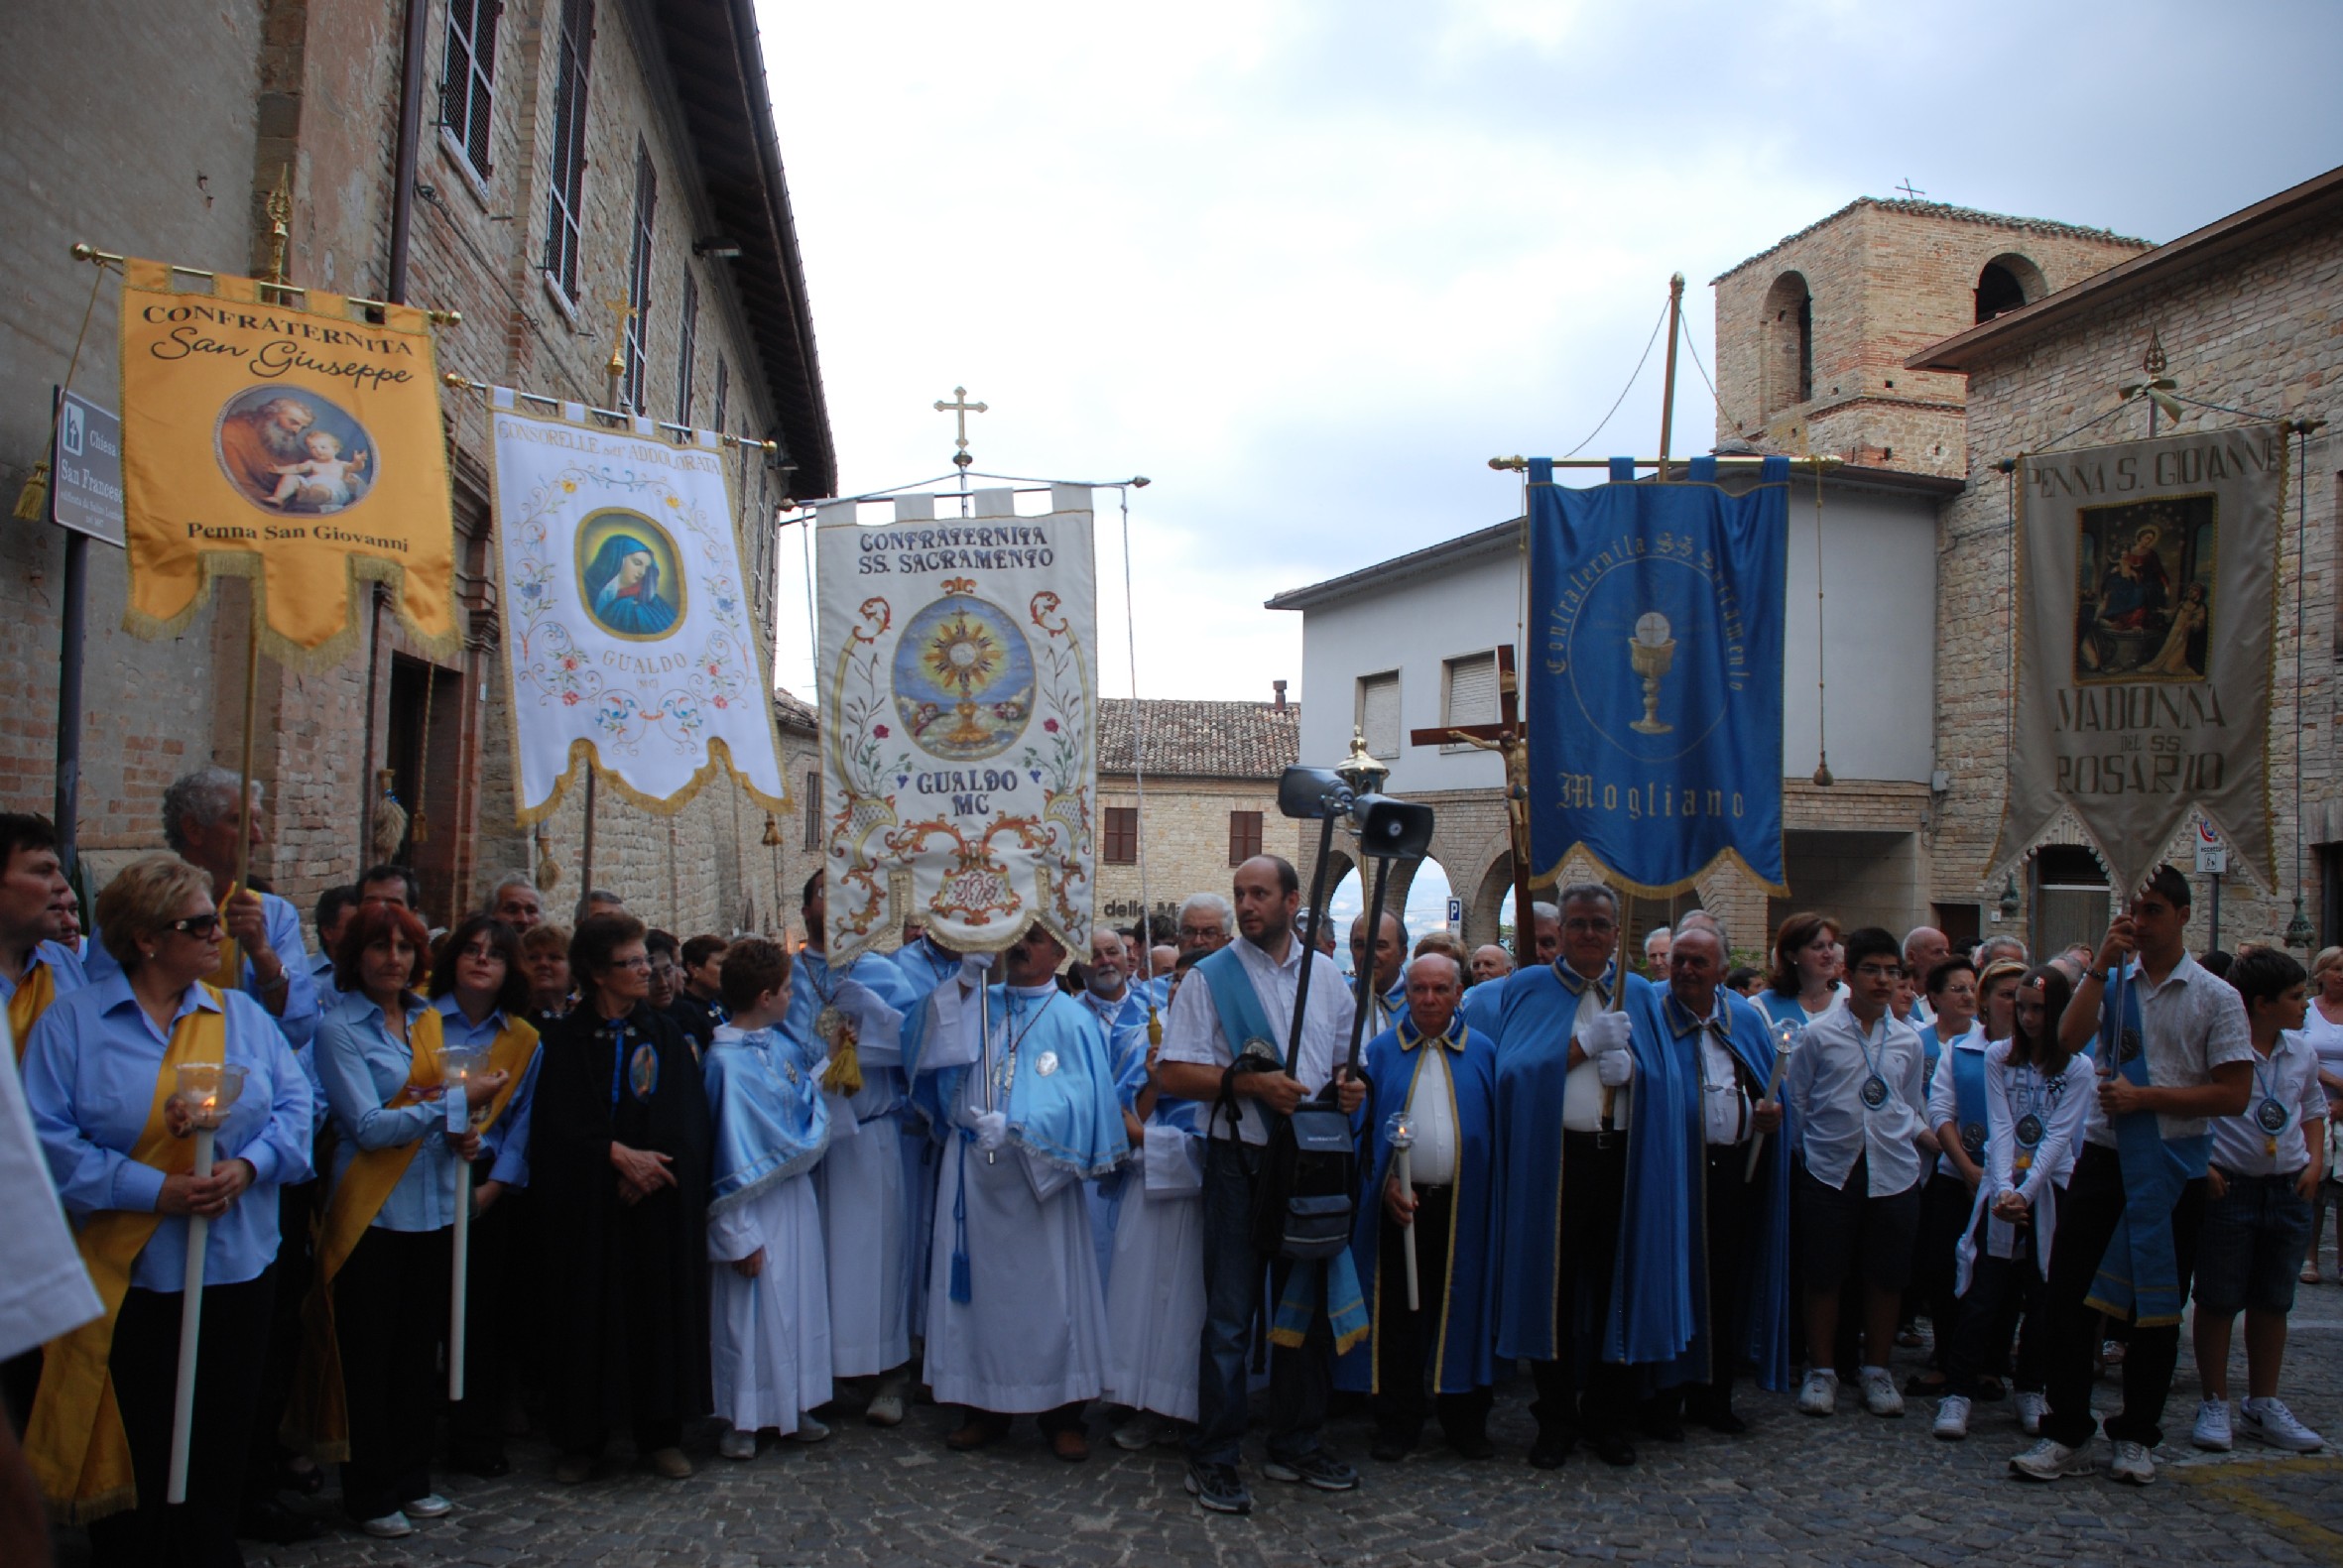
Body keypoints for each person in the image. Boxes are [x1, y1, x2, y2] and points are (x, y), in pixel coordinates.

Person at [20, 853, 312, 1563]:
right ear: (148, 937)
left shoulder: (239, 1014)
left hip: (235, 1263)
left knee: (219, 1429)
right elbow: (46, 1138)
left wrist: (249, 1165)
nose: (221, 934)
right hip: (129, 1268)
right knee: (137, 1431)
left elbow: (297, 1109)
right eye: (202, 923)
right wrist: (157, 1190)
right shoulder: (74, 1026)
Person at [2014, 865, 2255, 1486]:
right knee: (2069, 1300)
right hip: (2105, 1157)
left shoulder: (2215, 997)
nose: (2139, 923)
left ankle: (2137, 1432)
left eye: (2151, 912)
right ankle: (2066, 1428)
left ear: (2181, 915)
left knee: (2157, 1304)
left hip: (2172, 1164)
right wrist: (2099, 967)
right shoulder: (2113, 984)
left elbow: (2232, 1094)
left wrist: (2148, 1099)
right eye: (2132, 912)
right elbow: (2065, 1042)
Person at [1156, 856, 1366, 1514]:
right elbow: (1175, 1073)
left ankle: (1296, 1439)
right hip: (1238, 1160)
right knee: (1229, 1314)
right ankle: (1215, 1452)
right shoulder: (1210, 978)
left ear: (1292, 900)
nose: (1246, 904)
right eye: (1240, 893)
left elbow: (1340, 1063)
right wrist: (1250, 1084)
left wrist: (1352, 1087)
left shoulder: (1328, 976)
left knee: (1299, 1307)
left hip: (1306, 1161)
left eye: (1259, 893)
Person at [302, 902, 514, 1537]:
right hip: (374, 1210)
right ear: (355, 957)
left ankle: (411, 1474)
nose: (392, 959)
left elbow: (442, 1109)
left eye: (403, 947)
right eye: (378, 947)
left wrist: (467, 1135)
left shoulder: (426, 1020)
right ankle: (368, 1489)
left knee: (417, 1353)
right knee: (370, 1355)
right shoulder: (337, 1029)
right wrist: (453, 1104)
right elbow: (366, 1127)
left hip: (430, 1206)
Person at [912, 922, 1127, 1460]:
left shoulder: (1072, 1018)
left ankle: (1062, 1413)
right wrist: (962, 985)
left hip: (1038, 1181)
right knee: (978, 1298)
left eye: (1034, 938)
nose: (1021, 946)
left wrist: (1018, 1124)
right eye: (1015, 937)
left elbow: (1083, 1100)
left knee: (1052, 1296)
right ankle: (982, 1408)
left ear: (1059, 950)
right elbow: (925, 1048)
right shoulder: (979, 1003)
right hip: (974, 1178)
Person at [533, 914, 713, 1483]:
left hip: (650, 1204)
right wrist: (613, 1156)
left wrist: (650, 1165)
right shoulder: (566, 1040)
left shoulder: (661, 1034)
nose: (644, 972)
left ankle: (659, 1433)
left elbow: (685, 1115)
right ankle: (582, 1438)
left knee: (653, 1316)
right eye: (630, 963)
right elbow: (559, 1121)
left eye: (645, 961)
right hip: (589, 1206)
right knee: (586, 1317)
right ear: (596, 974)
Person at [1492, 882, 1647, 1469]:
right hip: (1557, 1158)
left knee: (1612, 1289)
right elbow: (1513, 1072)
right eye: (1577, 924)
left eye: (1598, 925)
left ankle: (1608, 1416)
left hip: (1620, 1158)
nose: (1587, 934)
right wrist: (1580, 1047)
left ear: (1614, 933)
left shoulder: (1639, 994)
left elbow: (1664, 1079)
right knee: (1553, 1289)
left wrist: (1637, 1074)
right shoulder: (1531, 986)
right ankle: (1554, 1417)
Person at [1341, 953, 1498, 1461]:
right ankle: (1397, 1420)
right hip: (1401, 1206)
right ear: (1406, 994)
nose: (1428, 1000)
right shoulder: (1382, 1053)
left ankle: (1464, 1418)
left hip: (1463, 1204)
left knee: (1464, 1310)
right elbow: (1365, 1137)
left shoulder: (1484, 1053)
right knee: (1399, 1315)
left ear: (1458, 993)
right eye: (1418, 990)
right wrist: (1385, 1183)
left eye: (1440, 990)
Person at [1638, 925, 1792, 1434]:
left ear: (1722, 972)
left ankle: (1713, 1396)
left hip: (1731, 1173)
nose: (1684, 970)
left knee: (1723, 1288)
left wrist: (1768, 1117)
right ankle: (1661, 1398)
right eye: (1679, 960)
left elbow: (1762, 1083)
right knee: (1670, 1284)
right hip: (1671, 1174)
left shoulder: (1743, 1019)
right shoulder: (1652, 1014)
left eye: (1698, 963)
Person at [1934, 966, 2092, 1441]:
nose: (2026, 1018)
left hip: (2049, 1190)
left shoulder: (2078, 1068)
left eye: (2038, 1009)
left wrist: (2026, 1192)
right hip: (2002, 1189)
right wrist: (2003, 1189)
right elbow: (2000, 1126)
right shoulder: (1999, 1058)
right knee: (1983, 1292)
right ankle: (1958, 1390)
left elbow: (2060, 1135)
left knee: (2044, 1294)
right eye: (2020, 1006)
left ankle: (2030, 1386)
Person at [1786, 926, 1930, 1419]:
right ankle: (1822, 1369)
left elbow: (1909, 1103)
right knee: (1824, 1273)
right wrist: (1813, 1154)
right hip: (1830, 1168)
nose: (1884, 981)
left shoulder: (1909, 1041)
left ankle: (1877, 1369)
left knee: (1886, 1277)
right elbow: (1799, 1100)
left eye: (1893, 972)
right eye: (1872, 970)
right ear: (1849, 974)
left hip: (1892, 1171)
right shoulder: (1819, 1034)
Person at [789, 873, 918, 1426]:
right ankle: (818, 1371)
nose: (835, 903)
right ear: (806, 906)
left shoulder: (884, 973)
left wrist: (878, 1025)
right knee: (813, 1257)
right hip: (807, 1136)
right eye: (824, 893)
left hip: (869, 1131)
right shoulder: (786, 978)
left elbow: (919, 1048)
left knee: (875, 1257)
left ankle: (887, 1372)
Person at [2187, 946, 2326, 1453]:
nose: (2305, 1003)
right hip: (2232, 1184)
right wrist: (2202, 1165)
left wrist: (2313, 1161)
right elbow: (2190, 1108)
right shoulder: (2219, 1047)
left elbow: (2311, 1107)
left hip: (2287, 1184)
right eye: (2295, 996)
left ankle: (2263, 1402)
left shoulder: (2301, 1051)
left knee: (2273, 1299)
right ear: (2262, 1003)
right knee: (2219, 1298)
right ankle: (2215, 1399)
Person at [702, 938, 833, 1458]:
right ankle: (744, 1414)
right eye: (784, 990)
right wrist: (736, 1236)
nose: (790, 997)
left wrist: (832, 1067)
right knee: (749, 1315)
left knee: (797, 1303)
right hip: (751, 1208)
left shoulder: (779, 1046)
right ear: (763, 996)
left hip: (793, 1198)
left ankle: (793, 1402)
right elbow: (725, 1154)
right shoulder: (724, 1063)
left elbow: (798, 1103)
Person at [427, 915, 544, 1481]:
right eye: (471, 950)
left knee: (481, 1317)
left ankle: (475, 1434)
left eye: (494, 955)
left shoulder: (521, 1039)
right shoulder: (423, 1025)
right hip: (421, 1176)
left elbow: (522, 1119)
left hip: (486, 1183)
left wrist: (498, 1186)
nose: (481, 961)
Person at [85, 767, 320, 1048]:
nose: (256, 837)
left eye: (257, 822)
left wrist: (261, 951)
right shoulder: (135, 906)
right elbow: (100, 1005)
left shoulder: (274, 915)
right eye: (238, 822)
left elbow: (300, 1028)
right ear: (194, 829)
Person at [1909, 955, 1987, 1399]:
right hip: (1930, 1161)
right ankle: (1943, 1350)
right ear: (1934, 998)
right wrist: (1929, 1133)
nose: (1967, 996)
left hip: (1974, 1164)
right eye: (1956, 989)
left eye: (1971, 987)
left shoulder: (1988, 1045)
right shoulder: (1919, 1043)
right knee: (1938, 1264)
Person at [2299, 946, 2343, 1284]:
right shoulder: (2308, 1011)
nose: (2341, 975)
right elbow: (2299, 1053)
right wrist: (2333, 1083)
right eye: (2336, 969)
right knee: (2315, 1181)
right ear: (2321, 973)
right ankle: (2309, 1257)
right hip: (2314, 1104)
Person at [1761, 912, 1843, 1035]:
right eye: (1817, 947)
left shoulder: (1849, 999)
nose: (1829, 954)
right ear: (1792, 955)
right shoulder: (1763, 1006)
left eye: (1830, 946)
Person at [583, 535, 678, 636]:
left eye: (646, 568)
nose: (642, 572)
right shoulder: (589, 590)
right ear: (618, 559)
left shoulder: (635, 605)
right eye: (637, 563)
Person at [1350, 910, 1407, 1036]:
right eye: (1360, 946)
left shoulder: (1422, 1002)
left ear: (1402, 954)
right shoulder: (1341, 999)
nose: (1368, 954)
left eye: (1380, 946)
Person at [310, 885, 359, 1007]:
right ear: (327, 931)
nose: (363, 933)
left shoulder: (375, 977)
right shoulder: (304, 979)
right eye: (353, 927)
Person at [674, 935, 729, 1042]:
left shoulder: (719, 999)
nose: (726, 970)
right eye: (720, 964)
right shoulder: (685, 1013)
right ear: (694, 968)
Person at [519, 923, 574, 1028]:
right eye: (533, 958)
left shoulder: (583, 1022)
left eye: (554, 957)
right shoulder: (510, 1023)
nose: (543, 963)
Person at [1904, 927, 1952, 1024]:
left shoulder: (1952, 998)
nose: (1947, 957)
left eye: (1947, 951)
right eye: (1937, 952)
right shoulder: (1891, 999)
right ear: (1911, 957)